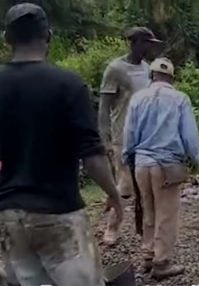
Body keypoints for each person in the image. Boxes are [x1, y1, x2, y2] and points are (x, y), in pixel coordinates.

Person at [0, 3, 123, 286]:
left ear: (8, 38)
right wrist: (114, 195)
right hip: (58, 214)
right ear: (49, 36)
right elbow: (92, 156)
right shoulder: (68, 85)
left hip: (9, 216)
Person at [122, 57, 199, 280]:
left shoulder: (138, 98)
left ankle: (148, 255)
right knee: (166, 214)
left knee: (148, 210)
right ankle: (161, 262)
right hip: (168, 164)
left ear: (151, 76)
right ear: (172, 78)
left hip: (142, 163)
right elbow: (189, 135)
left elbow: (129, 133)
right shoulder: (180, 98)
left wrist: (127, 157)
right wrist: (194, 158)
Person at [99, 26, 162, 245]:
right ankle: (111, 228)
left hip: (145, 136)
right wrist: (104, 138)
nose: (149, 48)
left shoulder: (147, 69)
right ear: (135, 43)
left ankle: (144, 230)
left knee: (145, 187)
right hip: (122, 135)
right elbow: (104, 107)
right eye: (146, 43)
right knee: (125, 187)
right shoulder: (115, 69)